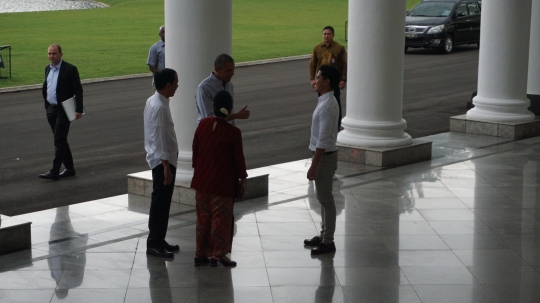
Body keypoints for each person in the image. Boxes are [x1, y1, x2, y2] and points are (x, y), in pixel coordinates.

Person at [191, 90, 248, 267]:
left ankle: (201, 253)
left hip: (202, 181)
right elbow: (238, 160)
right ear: (229, 108)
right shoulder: (233, 132)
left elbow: (195, 152)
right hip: (222, 184)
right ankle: (219, 253)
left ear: (213, 107)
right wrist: (243, 179)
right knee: (220, 219)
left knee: (203, 218)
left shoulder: (202, 125)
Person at [144, 68, 180, 258]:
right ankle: (153, 243)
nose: (177, 86)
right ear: (167, 85)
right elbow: (158, 139)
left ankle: (159, 239)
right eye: (175, 82)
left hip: (164, 159)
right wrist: (166, 166)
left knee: (163, 203)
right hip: (162, 162)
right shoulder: (159, 107)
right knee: (160, 202)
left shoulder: (156, 101)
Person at [304, 65, 340, 255]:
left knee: (326, 199)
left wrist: (313, 165)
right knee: (323, 197)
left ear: (326, 81)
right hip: (324, 157)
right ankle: (324, 233)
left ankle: (328, 241)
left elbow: (323, 140)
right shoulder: (325, 100)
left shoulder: (327, 106)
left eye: (318, 77)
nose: (315, 80)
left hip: (324, 158)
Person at [39, 44, 83, 180]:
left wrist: (79, 109)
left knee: (59, 139)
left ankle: (55, 171)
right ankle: (69, 169)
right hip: (51, 109)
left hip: (64, 110)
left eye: (54, 54)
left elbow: (78, 90)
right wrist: (47, 105)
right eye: (49, 54)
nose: (51, 56)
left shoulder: (70, 69)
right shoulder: (48, 69)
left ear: (61, 54)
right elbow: (47, 88)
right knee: (61, 139)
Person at [309, 26, 347, 131]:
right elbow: (312, 64)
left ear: (333, 35)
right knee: (322, 102)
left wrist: (343, 80)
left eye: (329, 34)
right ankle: (322, 125)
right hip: (321, 81)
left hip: (334, 81)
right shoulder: (317, 48)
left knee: (335, 103)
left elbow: (344, 65)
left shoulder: (339, 48)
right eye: (324, 34)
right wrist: (312, 79)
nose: (326, 36)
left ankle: (336, 127)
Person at [195, 53, 250, 125]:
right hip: (211, 133)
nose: (233, 73)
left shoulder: (229, 85)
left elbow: (230, 111)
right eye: (228, 71)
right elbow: (209, 118)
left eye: (233, 69)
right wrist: (236, 116)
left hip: (226, 130)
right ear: (217, 70)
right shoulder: (204, 88)